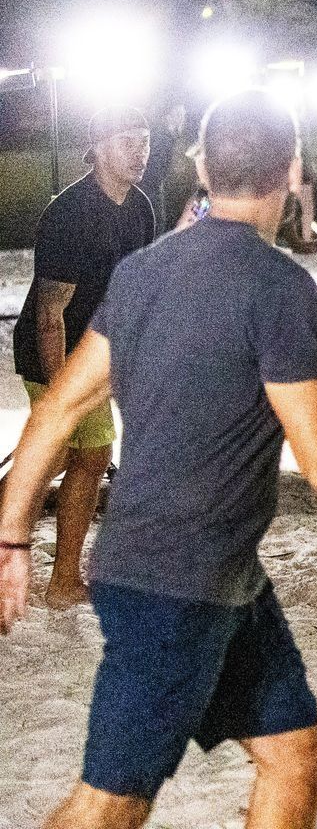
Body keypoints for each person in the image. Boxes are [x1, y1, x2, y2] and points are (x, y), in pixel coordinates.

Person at [0, 89, 317, 828]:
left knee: (297, 756)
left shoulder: (143, 272)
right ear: (291, 171)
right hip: (174, 586)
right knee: (106, 809)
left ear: (202, 167)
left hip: (221, 577)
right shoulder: (277, 287)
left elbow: (56, 409)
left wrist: (12, 535)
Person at [9, 107, 156, 611]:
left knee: (87, 456)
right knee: (55, 456)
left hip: (95, 354)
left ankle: (64, 580)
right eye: (128, 139)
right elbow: (51, 314)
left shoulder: (139, 208)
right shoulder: (70, 213)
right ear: (98, 143)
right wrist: (58, 402)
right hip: (51, 349)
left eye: (145, 140)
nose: (140, 151)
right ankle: (60, 577)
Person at [136, 102, 188, 231]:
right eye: (179, 114)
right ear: (170, 116)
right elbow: (155, 171)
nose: (182, 118)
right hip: (149, 191)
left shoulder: (161, 134)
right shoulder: (162, 136)